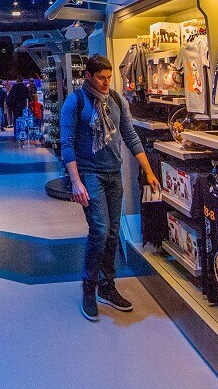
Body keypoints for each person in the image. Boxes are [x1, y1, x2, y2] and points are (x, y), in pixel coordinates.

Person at [60, 54, 160, 322]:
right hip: (90, 174)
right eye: (102, 78)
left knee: (113, 233)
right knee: (100, 230)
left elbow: (130, 135)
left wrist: (148, 171)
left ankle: (107, 284)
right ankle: (89, 287)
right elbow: (67, 144)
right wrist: (76, 181)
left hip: (113, 174)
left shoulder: (116, 100)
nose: (106, 83)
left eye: (109, 77)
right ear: (89, 77)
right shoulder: (76, 102)